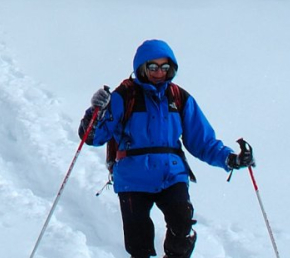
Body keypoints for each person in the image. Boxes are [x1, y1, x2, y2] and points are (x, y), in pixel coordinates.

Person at [77, 40, 253, 258]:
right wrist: (95, 111)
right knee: (138, 246)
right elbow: (94, 137)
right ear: (141, 67)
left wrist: (230, 159)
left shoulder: (179, 98)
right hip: (132, 178)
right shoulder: (124, 96)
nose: (159, 72)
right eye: (153, 67)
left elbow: (202, 141)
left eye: (165, 67)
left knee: (182, 224)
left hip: (171, 175)